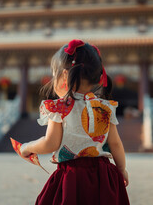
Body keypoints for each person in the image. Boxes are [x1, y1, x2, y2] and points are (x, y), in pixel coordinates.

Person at [20, 39, 130, 205]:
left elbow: (51, 143)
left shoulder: (59, 108)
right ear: (99, 77)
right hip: (104, 176)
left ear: (64, 75)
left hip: (72, 176)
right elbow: (115, 144)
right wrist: (121, 169)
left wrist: (27, 147)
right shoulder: (105, 107)